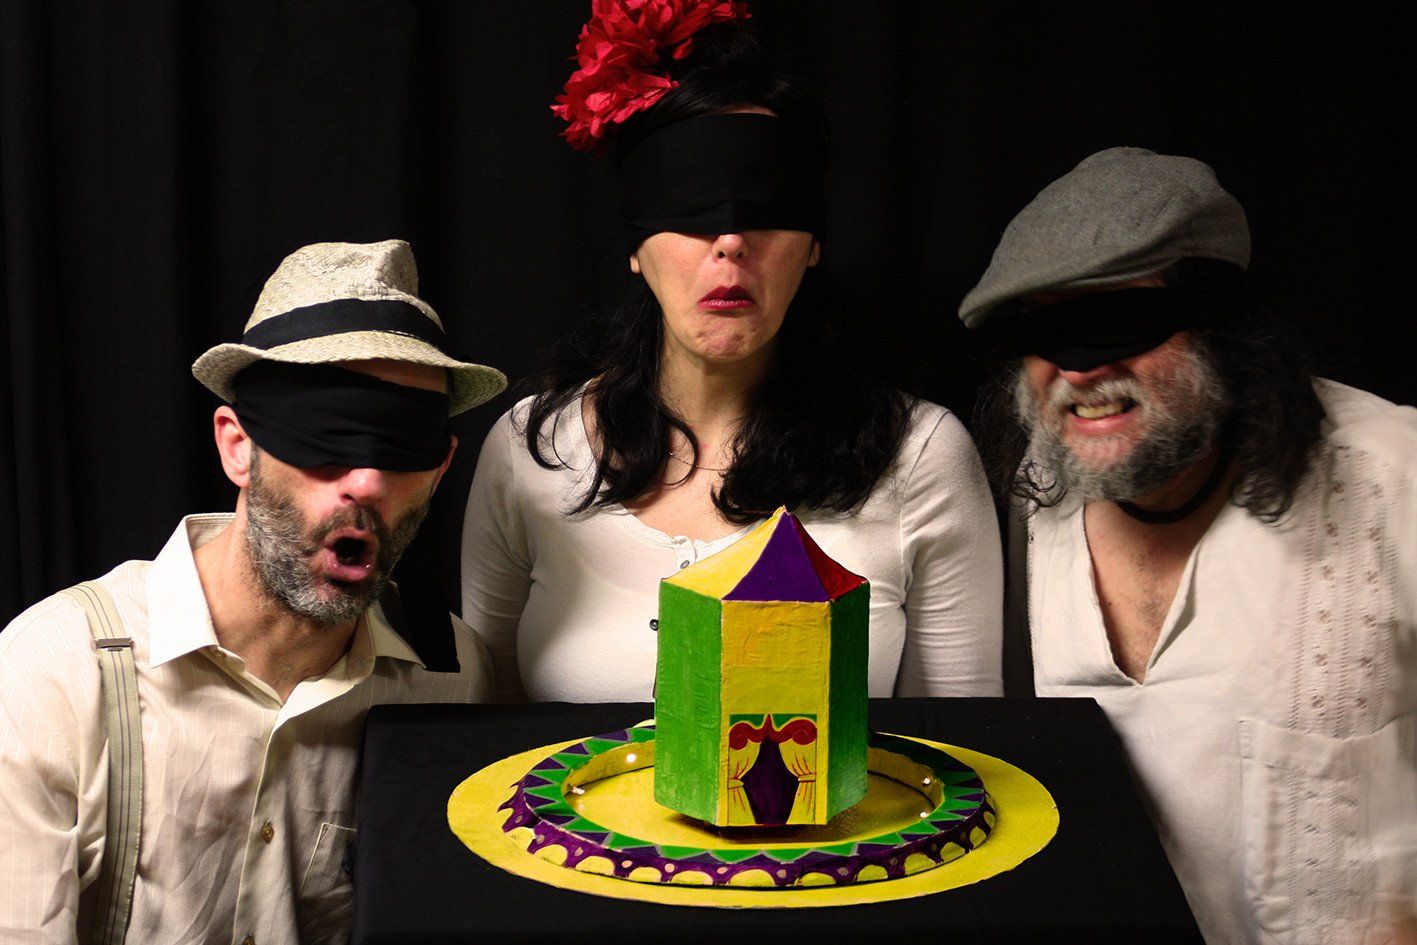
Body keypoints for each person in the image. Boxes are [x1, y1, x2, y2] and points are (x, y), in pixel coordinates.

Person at [460, 6, 1002, 702]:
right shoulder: (530, 450)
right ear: (635, 245)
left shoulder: (919, 454)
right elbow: (483, 723)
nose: (730, 243)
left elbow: (959, 740)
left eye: (768, 206)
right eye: (688, 203)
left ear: (813, 243)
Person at [961, 147, 1416, 944]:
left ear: (1223, 331)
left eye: (1120, 321)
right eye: (1046, 328)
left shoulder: (1392, 477)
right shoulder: (1038, 492)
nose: (1082, 368)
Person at [0, 239, 506, 945]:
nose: (366, 483)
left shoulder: (453, 678)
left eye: (403, 446)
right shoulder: (55, 672)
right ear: (238, 447)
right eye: (325, 436)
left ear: (442, 467)